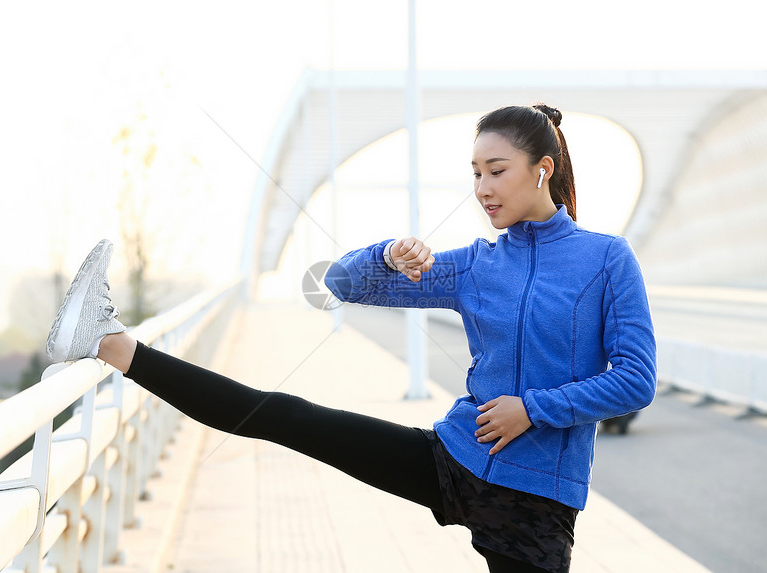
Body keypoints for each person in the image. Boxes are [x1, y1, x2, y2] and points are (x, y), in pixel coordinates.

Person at [46, 104, 657, 573]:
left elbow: (636, 380)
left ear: (542, 169)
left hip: (535, 495)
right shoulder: (476, 264)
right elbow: (337, 283)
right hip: (456, 456)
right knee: (281, 415)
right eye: (474, 173)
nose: (482, 188)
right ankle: (107, 340)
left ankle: (106, 338)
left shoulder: (606, 260)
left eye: (496, 171)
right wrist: (387, 254)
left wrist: (533, 409)